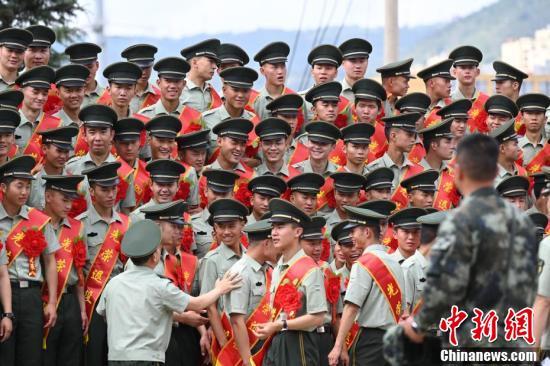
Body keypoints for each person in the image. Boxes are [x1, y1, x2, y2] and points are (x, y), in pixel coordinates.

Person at [400, 133, 538, 348]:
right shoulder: (523, 223)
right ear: (494, 173)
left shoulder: (459, 222)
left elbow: (444, 285)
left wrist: (419, 325)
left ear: (459, 174)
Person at [96, 219, 241, 365]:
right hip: (147, 358)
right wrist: (220, 289)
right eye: (159, 250)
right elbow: (197, 304)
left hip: (115, 357)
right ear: (154, 257)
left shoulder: (113, 283)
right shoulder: (159, 285)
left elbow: (104, 313)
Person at [0, 155, 60, 366]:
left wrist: (51, 301)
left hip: (32, 295)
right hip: (3, 295)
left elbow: (51, 261)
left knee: (31, 356)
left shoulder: (39, 220)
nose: (25, 192)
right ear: (4, 188)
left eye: (28, 186)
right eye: (19, 186)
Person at [328, 205, 405, 366]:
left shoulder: (363, 263)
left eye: (354, 231)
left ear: (367, 232)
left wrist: (337, 346)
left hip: (371, 342)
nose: (351, 236)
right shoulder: (395, 262)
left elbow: (351, 308)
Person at [253, 198, 327, 366]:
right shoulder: (279, 265)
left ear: (297, 232)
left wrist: (281, 325)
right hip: (277, 338)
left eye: (280, 227)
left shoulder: (310, 269)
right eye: (273, 227)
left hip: (299, 343)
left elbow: (318, 317)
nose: (274, 233)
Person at [139, 200, 208, 366]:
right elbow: (146, 305)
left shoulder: (181, 259)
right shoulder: (142, 261)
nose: (180, 231)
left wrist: (203, 332)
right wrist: (183, 318)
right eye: (174, 227)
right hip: (154, 335)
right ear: (157, 226)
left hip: (182, 334)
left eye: (181, 226)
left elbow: (187, 298)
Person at [78, 162, 131, 366]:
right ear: (92, 191)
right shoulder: (80, 225)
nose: (111, 194)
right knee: (94, 353)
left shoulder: (127, 223)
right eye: (104, 189)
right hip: (94, 299)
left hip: (123, 299)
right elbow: (79, 269)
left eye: (114, 188)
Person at [41, 175, 87, 366]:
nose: (69, 206)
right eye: (64, 200)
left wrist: (82, 310)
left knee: (70, 356)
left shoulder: (77, 228)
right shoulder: (35, 223)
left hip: (70, 301)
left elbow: (79, 270)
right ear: (48, 196)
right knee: (45, 355)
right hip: (42, 299)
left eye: (71, 201)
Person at [223, 219, 279, 366]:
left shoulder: (269, 269)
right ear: (267, 243)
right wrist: (248, 361)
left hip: (269, 346)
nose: (280, 249)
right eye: (276, 243)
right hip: (249, 349)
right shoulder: (240, 273)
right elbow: (236, 320)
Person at [65, 104, 136, 214]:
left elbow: (126, 213)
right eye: (92, 132)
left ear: (112, 135)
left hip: (113, 230)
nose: (97, 138)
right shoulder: (71, 168)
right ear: (84, 135)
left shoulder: (124, 171)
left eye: (103, 132)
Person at [200, 199, 248, 351]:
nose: (226, 232)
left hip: (251, 333)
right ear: (215, 227)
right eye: (221, 226)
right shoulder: (212, 260)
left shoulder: (250, 258)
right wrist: (223, 343)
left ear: (242, 225)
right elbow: (210, 307)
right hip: (226, 336)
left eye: (232, 226)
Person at [367, 112, 424, 209]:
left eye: (414, 136)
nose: (413, 140)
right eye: (409, 135)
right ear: (393, 136)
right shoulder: (371, 169)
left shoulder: (418, 172)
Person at [201, 66, 258, 153]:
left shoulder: (254, 121)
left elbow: (259, 158)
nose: (240, 95)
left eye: (245, 91)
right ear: (224, 90)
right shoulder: (206, 119)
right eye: (235, 90)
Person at [388, 208, 429, 314]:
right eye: (406, 231)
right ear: (395, 234)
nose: (411, 237)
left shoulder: (427, 265)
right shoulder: (386, 264)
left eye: (416, 232)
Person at [27, 125, 79, 209]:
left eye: (66, 152)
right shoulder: (31, 183)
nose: (63, 156)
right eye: (59, 151)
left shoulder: (73, 182)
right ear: (44, 149)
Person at [300, 45, 353, 126]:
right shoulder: (301, 99)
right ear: (312, 71)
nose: (323, 72)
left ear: (336, 73)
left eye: (328, 68)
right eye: (319, 68)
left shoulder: (345, 103)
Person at [191, 169, 239, 259]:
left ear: (232, 194)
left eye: (224, 194)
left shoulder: (240, 225)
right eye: (215, 193)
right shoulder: (192, 224)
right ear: (206, 191)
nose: (219, 198)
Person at [14, 65, 61, 155]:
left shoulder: (57, 125)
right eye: (35, 92)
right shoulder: (8, 122)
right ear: (21, 91)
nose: (40, 98)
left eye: (44, 93)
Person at [418, 117, 459, 210]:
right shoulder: (414, 173)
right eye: (448, 142)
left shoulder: (454, 174)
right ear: (434, 145)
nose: (453, 146)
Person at [249, 41, 295, 120]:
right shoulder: (253, 100)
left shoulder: (294, 98)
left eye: (283, 66)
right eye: (275, 67)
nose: (280, 71)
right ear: (262, 71)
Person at [449, 45, 489, 133]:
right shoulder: (448, 102)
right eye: (463, 67)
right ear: (454, 72)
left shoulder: (487, 102)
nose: (467, 71)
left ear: (477, 72)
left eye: (471, 67)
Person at [52, 64, 90, 156]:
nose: (74, 95)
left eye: (78, 90)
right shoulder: (51, 123)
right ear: (58, 93)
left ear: (84, 91)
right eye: (68, 91)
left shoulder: (91, 122)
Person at [112, 117, 150, 206]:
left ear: (140, 142)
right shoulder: (109, 169)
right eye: (124, 143)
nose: (129, 148)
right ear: (114, 143)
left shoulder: (147, 171)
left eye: (133, 142)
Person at [180, 39, 222, 112]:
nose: (215, 66)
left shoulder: (212, 92)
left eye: (215, 63)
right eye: (211, 61)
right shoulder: (178, 91)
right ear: (194, 62)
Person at [351, 78, 388, 162]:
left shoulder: (387, 135)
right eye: (362, 106)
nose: (366, 111)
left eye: (371, 106)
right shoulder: (345, 133)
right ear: (355, 108)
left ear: (379, 110)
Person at [121, 43, 160, 113]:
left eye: (147, 67)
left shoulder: (160, 97)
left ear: (152, 66)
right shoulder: (118, 95)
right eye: (140, 68)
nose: (144, 72)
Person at [516, 93, 550, 174]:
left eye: (538, 113)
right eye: (529, 113)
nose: (534, 118)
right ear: (522, 118)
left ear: (545, 119)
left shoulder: (548, 147)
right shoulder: (515, 147)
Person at [64, 42, 104, 107]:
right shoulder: (65, 98)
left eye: (90, 67)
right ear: (72, 68)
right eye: (80, 68)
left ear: (97, 65)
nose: (86, 72)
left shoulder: (109, 96)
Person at [416, 59, 454, 126]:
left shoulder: (452, 107)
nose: (450, 85)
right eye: (446, 81)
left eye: (449, 81)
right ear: (432, 83)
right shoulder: (415, 108)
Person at [489, 118, 526, 186]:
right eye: (515, 144)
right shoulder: (487, 178)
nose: (520, 149)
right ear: (502, 148)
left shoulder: (522, 172)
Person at [338, 38, 372, 102]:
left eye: (362, 61)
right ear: (343, 62)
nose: (358, 66)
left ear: (367, 62)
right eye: (353, 61)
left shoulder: (376, 91)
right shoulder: (335, 93)